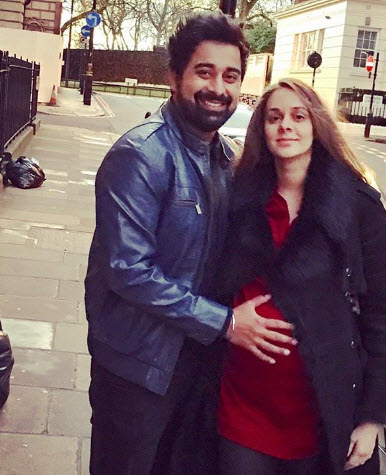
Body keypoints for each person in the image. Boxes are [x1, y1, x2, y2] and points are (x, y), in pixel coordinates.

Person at [85, 13, 293, 475]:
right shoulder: (140, 155)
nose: (218, 88)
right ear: (174, 76)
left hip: (197, 365)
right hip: (139, 369)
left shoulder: (226, 159)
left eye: (230, 76)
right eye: (204, 72)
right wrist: (225, 323)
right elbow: (129, 271)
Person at [215, 78, 386, 475]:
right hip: (241, 406)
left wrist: (371, 417)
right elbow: (210, 281)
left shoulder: (358, 207)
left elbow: (382, 319)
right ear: (262, 129)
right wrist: (226, 321)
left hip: (320, 411)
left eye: (298, 116)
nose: (286, 125)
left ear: (316, 125)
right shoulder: (236, 196)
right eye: (274, 117)